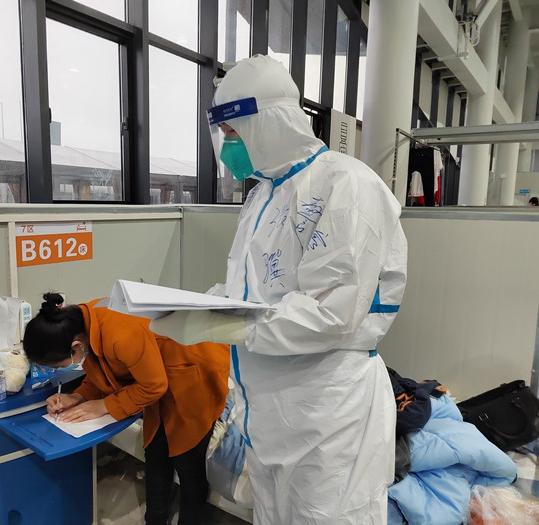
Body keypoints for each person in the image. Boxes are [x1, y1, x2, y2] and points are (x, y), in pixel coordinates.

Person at [150, 55, 408, 524]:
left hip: (327, 412)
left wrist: (222, 325)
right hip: (268, 410)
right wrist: (197, 305)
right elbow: (251, 289)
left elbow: (331, 314)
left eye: (233, 133)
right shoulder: (263, 195)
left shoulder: (345, 184)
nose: (228, 146)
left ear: (268, 124)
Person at [23, 293, 229, 525]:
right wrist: (78, 395)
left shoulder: (120, 334)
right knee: (155, 451)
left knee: (187, 460)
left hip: (194, 371)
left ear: (76, 346)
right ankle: (155, 519)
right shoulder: (79, 323)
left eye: (61, 365)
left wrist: (104, 405)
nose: (63, 369)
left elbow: (153, 385)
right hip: (156, 373)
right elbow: (103, 367)